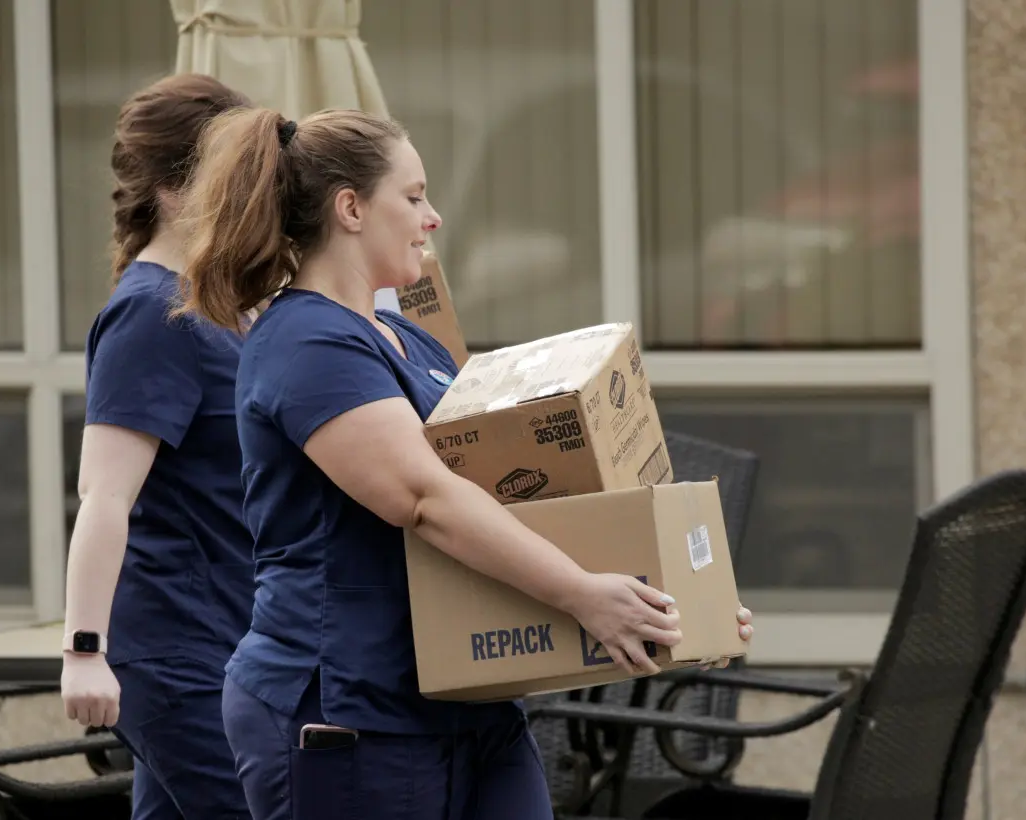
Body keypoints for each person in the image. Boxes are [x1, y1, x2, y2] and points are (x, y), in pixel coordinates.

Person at [174, 105, 756, 820]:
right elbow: (424, 499)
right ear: (350, 208)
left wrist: (675, 604)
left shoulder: (404, 340)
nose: (435, 217)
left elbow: (522, 495)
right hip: (348, 703)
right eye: (414, 197)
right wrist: (581, 593)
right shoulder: (307, 344)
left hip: (460, 696)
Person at [59, 74, 254, 820]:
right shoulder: (151, 315)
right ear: (173, 192)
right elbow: (103, 495)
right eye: (232, 176)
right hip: (179, 656)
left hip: (219, 644)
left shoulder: (212, 306)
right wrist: (83, 650)